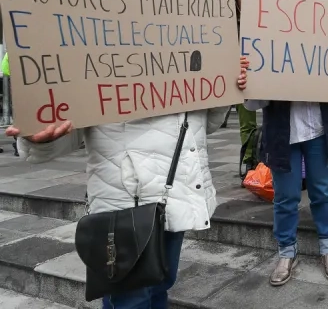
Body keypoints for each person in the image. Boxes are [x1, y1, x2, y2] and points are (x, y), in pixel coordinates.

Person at [6, 57, 250, 308]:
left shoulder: (187, 51)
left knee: (160, 287)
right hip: (126, 201)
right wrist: (42, 136)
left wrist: (223, 87)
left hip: (177, 193)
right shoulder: (100, 53)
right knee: (130, 300)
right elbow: (69, 133)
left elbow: (204, 126)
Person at [245, 87, 328, 287]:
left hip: (320, 131)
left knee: (323, 192)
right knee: (285, 197)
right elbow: (251, 103)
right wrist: (251, 84)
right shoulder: (269, 56)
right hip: (283, 135)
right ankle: (286, 252)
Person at [233, 0, 259, 169]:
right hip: (242, 77)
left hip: (264, 74)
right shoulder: (230, 24)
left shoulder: (261, 20)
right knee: (248, 122)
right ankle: (249, 160)